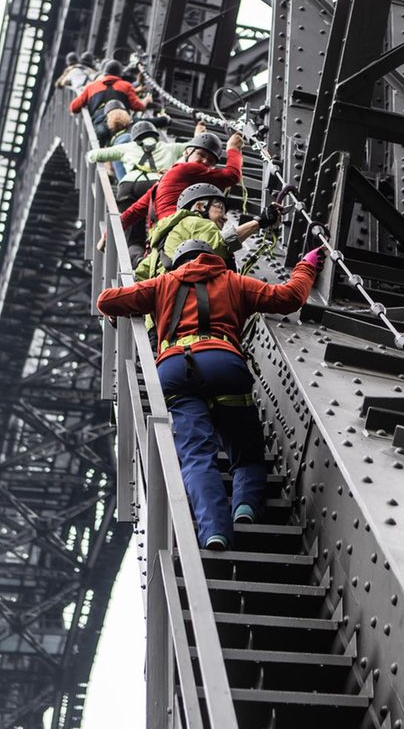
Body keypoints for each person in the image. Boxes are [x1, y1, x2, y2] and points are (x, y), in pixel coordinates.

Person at [97, 240, 325, 549]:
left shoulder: (163, 282)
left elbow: (107, 300)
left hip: (176, 368)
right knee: (246, 454)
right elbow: (289, 298)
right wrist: (307, 265)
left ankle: (214, 530)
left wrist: (122, 313)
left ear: (177, 262)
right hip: (223, 363)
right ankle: (244, 506)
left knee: (195, 456)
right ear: (214, 258)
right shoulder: (233, 280)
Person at [88, 119, 191, 258]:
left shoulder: (128, 147)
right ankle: (161, 255)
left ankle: (136, 259)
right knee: (162, 223)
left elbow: (94, 155)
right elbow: (193, 148)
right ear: (155, 135)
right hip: (156, 185)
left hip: (128, 187)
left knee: (133, 233)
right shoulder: (170, 147)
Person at [136, 182, 279, 281]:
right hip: (187, 305)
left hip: (163, 312)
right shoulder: (197, 222)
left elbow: (141, 274)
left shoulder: (162, 240)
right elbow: (220, 245)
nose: (224, 217)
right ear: (199, 206)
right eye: (220, 208)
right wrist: (259, 222)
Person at [119, 130, 244, 236]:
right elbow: (232, 175)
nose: (205, 161)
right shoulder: (189, 169)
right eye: (201, 154)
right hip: (181, 230)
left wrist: (108, 234)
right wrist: (233, 149)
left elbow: (135, 211)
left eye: (211, 161)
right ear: (186, 152)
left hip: (161, 235)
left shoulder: (162, 181)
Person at [69, 59, 149, 143]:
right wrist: (147, 100)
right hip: (122, 124)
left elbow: (74, 107)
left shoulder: (91, 87)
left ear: (104, 72)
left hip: (100, 123)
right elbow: (138, 106)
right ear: (120, 73)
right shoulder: (126, 86)